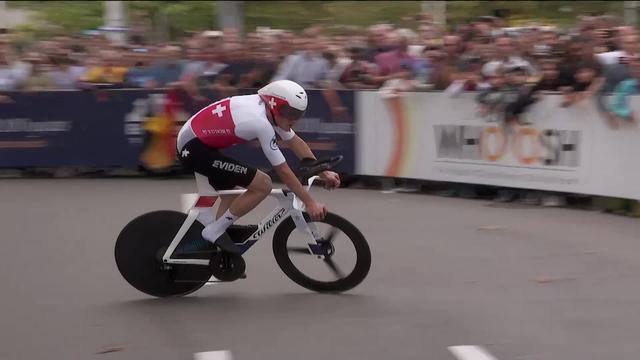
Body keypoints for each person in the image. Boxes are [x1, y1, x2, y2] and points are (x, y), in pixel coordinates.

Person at [176, 80, 341, 254]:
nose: (293, 119)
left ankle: (215, 238)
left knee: (231, 190)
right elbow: (283, 171)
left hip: (199, 144)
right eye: (290, 113)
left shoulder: (270, 111)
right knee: (263, 184)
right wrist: (310, 203)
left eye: (298, 114)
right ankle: (214, 231)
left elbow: (296, 142)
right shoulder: (260, 122)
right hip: (194, 148)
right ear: (274, 105)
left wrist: (323, 172)